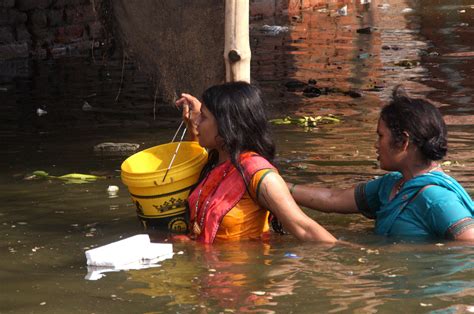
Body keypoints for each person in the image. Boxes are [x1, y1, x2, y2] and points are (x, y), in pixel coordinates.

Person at [288, 86, 474, 241]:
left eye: (381, 136)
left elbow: (468, 247)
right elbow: (332, 198)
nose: (376, 145)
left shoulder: (437, 199)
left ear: (403, 141)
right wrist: (277, 185)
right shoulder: (390, 186)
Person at [175, 81, 336, 244]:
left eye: (203, 117)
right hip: (206, 264)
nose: (196, 122)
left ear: (227, 125)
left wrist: (354, 257)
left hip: (241, 267)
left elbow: (305, 229)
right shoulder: (216, 163)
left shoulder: (258, 174)